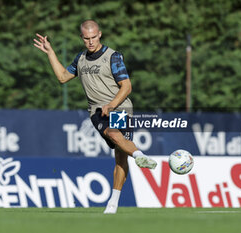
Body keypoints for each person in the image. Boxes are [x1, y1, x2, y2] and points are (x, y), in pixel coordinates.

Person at [33, 20, 157, 214]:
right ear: (81, 38)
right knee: (114, 136)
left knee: (119, 153)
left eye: (93, 37)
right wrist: (50, 52)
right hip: (97, 111)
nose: (90, 42)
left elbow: (127, 86)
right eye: (86, 38)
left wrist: (112, 105)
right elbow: (63, 77)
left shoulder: (113, 57)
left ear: (99, 34)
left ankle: (113, 202)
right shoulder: (80, 59)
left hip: (120, 107)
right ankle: (140, 156)